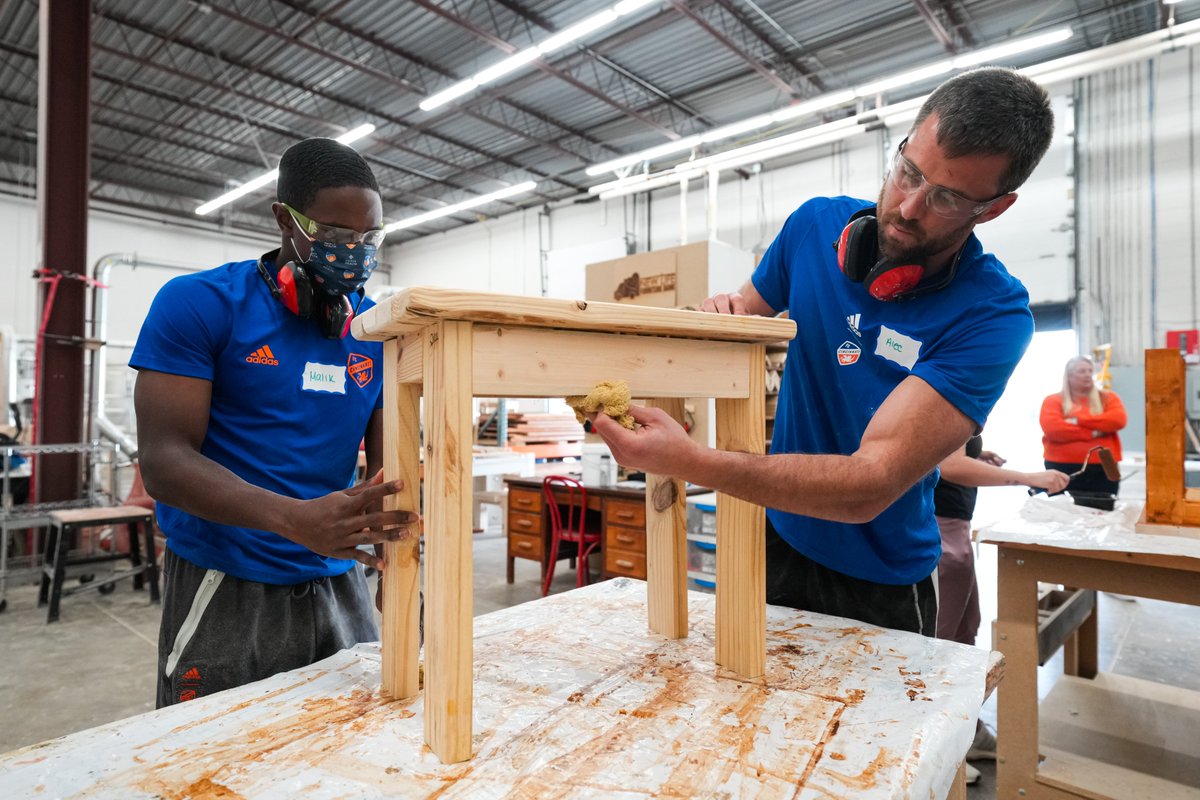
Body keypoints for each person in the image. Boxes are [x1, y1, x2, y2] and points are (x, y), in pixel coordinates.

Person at [587, 66, 1054, 636]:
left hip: (881, 580)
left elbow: (870, 483)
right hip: (777, 541)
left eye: (948, 199)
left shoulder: (993, 315)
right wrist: (718, 316)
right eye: (908, 172)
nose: (909, 207)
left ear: (994, 208)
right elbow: (740, 320)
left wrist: (687, 460)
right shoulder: (813, 228)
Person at [132, 137, 417, 708]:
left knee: (346, 744)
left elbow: (393, 466)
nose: (355, 252)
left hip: (341, 578)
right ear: (285, 221)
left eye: (370, 239)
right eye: (336, 236)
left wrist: (403, 559)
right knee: (208, 756)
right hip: (227, 583)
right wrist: (294, 521)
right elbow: (164, 462)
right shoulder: (199, 304)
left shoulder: (375, 330)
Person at [934, 437, 1068, 784]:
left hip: (956, 527)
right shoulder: (948, 384)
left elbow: (950, 453)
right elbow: (950, 465)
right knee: (941, 643)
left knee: (964, 631)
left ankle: (967, 734)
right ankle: (938, 751)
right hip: (938, 527)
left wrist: (976, 451)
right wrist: (1027, 477)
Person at [1039, 355, 1126, 497]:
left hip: (1107, 462)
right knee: (1061, 511)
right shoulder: (1053, 400)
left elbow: (1118, 420)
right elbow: (1054, 430)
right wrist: (1094, 432)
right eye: (1082, 371)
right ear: (1069, 375)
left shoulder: (1109, 398)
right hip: (1061, 463)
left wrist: (1077, 419)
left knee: (1106, 508)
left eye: (1089, 371)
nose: (1087, 375)